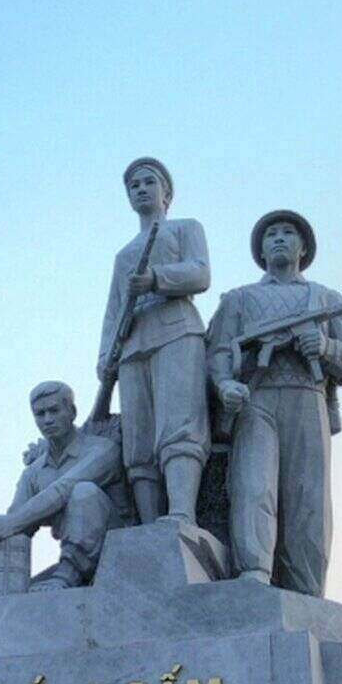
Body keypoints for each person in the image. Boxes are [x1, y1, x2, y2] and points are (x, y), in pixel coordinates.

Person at [206, 210, 342, 597]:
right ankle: (254, 575)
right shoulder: (239, 299)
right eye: (271, 234)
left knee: (308, 499)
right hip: (255, 400)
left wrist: (324, 346)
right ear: (260, 249)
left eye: (288, 233)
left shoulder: (326, 300)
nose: (279, 239)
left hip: (307, 401)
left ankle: (308, 591)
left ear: (303, 247)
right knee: (253, 486)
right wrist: (225, 383)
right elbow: (217, 351)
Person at [97, 157, 212, 526]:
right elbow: (113, 310)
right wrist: (104, 356)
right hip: (133, 345)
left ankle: (182, 512)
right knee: (139, 437)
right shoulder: (123, 255)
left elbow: (201, 273)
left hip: (177, 329)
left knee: (179, 423)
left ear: (166, 192)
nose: (141, 189)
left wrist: (157, 279)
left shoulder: (184, 229)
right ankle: (149, 523)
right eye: (134, 186)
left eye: (149, 182)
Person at [0, 381, 130, 590]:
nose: (48, 420)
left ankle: (67, 575)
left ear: (72, 411)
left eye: (54, 410)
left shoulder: (102, 449)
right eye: (40, 414)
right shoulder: (34, 472)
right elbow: (17, 520)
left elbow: (64, 489)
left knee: (83, 492)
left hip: (121, 551)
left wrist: (11, 522)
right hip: (78, 557)